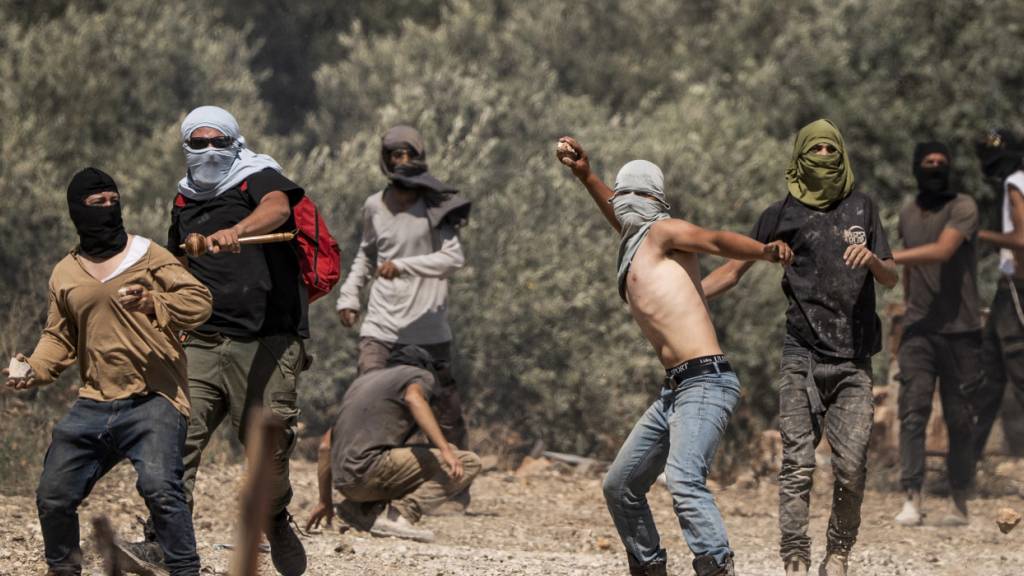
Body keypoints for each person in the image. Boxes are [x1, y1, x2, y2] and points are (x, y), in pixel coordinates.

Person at [557, 137, 792, 576]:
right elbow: (624, 217)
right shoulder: (637, 252)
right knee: (620, 485)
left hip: (707, 381)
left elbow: (714, 239)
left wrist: (761, 251)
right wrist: (587, 176)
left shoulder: (664, 232)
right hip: (675, 389)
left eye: (635, 196)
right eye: (620, 195)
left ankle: (717, 567)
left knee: (683, 480)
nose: (625, 204)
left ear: (657, 202)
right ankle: (648, 567)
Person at [702, 120, 898, 576]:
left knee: (851, 468)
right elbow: (732, 271)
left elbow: (890, 276)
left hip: (854, 360)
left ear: (843, 155)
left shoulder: (863, 209)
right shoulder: (780, 215)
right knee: (797, 464)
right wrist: (682, 293)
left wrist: (871, 260)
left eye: (832, 149)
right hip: (801, 356)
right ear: (799, 157)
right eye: (816, 150)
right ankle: (794, 557)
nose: (824, 157)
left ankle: (839, 553)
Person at [3, 168, 212, 576]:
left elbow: (199, 300)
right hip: (95, 403)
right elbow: (58, 338)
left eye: (112, 200)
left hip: (155, 399)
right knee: (54, 494)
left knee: (160, 488)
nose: (107, 209)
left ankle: (185, 570)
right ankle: (63, 569)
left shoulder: (146, 254)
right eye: (96, 203)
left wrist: (154, 302)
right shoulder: (65, 273)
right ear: (76, 211)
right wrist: (32, 369)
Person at [129, 105, 310, 576]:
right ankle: (161, 542)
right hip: (202, 341)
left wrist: (237, 231)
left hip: (267, 340)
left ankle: (274, 516)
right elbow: (179, 265)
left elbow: (278, 209)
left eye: (218, 142)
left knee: (268, 453)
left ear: (235, 142)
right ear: (186, 147)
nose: (209, 151)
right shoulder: (184, 201)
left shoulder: (258, 177)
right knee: (174, 440)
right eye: (198, 143)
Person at [890, 141, 980, 527]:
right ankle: (912, 496)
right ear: (916, 167)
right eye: (927, 162)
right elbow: (911, 274)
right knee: (913, 411)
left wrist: (888, 257)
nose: (935, 168)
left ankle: (959, 499)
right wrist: (906, 316)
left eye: (942, 162)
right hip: (919, 330)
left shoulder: (963, 207)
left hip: (962, 331)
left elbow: (943, 252)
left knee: (960, 418)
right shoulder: (908, 213)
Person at [306, 346, 481, 543]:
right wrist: (445, 449)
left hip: (347, 484)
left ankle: (357, 509)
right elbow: (414, 398)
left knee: (426, 458)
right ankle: (399, 515)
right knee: (466, 461)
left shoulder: (362, 383)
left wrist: (324, 500)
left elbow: (325, 446)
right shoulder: (418, 375)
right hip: (370, 471)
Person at [973, 129, 1024, 459]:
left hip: (1017, 289)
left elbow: (1021, 240)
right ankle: (963, 468)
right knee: (989, 375)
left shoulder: (1014, 184)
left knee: (1017, 374)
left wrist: (978, 234)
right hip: (1008, 291)